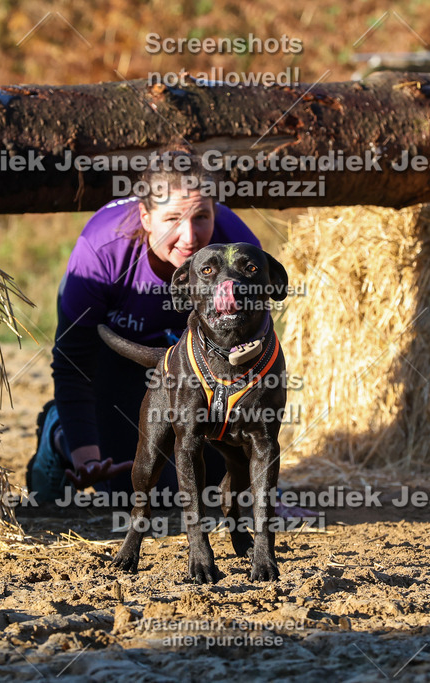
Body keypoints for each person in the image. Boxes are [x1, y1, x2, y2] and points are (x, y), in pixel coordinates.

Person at [27, 147, 259, 504]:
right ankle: (57, 432)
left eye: (201, 217)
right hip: (116, 352)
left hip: (192, 364)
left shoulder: (237, 251)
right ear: (146, 217)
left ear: (215, 210)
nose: (190, 236)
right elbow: (72, 363)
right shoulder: (102, 251)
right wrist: (86, 454)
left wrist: (258, 488)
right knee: (140, 491)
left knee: (213, 490)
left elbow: (249, 360)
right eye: (171, 220)